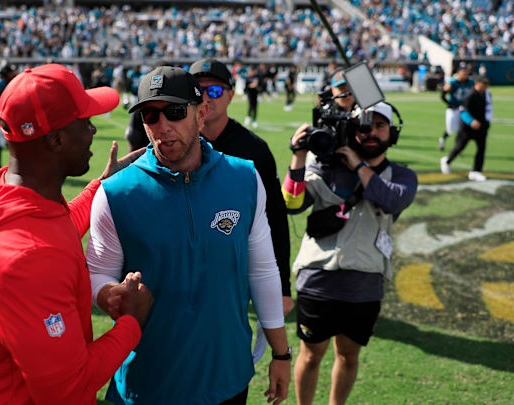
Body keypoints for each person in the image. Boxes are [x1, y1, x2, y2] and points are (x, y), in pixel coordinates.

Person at [87, 66, 291, 405]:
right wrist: (110, 293)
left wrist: (281, 353)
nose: (163, 126)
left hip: (228, 380)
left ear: (201, 114)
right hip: (147, 385)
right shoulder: (115, 194)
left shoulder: (245, 177)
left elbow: (262, 269)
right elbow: (98, 273)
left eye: (175, 112)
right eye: (151, 115)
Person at [0, 64, 152, 405]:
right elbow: (67, 388)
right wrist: (132, 321)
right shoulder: (30, 257)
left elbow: (55, 226)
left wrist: (100, 187)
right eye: (85, 123)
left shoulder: (5, 193)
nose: (92, 131)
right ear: (56, 140)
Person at [283, 102, 417, 405]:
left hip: (365, 285)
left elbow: (391, 200)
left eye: (380, 126)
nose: (371, 132)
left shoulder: (402, 175)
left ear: (392, 133)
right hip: (317, 280)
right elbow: (292, 205)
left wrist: (357, 164)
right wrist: (299, 155)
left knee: (348, 356)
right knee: (310, 354)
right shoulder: (324, 166)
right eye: (364, 126)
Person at [189, 58, 293, 352]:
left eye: (216, 91)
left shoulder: (254, 149)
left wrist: (282, 287)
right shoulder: (174, 143)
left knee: (229, 352)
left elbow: (276, 218)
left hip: (235, 272)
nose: (207, 98)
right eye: (199, 90)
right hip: (182, 269)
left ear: (232, 95)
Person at [440, 76, 491, 181]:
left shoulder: (487, 95)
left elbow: (489, 109)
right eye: (483, 84)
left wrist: (487, 122)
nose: (485, 87)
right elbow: (463, 110)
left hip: (481, 127)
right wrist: (471, 121)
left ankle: (476, 171)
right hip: (467, 128)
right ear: (477, 84)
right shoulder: (470, 95)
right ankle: (447, 161)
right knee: (459, 147)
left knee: (481, 149)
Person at [438, 66, 474, 151]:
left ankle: (457, 147)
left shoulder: (471, 82)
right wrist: (450, 104)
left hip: (463, 109)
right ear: (457, 74)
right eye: (463, 72)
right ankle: (442, 139)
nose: (465, 74)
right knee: (450, 130)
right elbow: (442, 96)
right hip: (453, 109)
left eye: (466, 72)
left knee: (461, 129)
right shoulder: (453, 83)